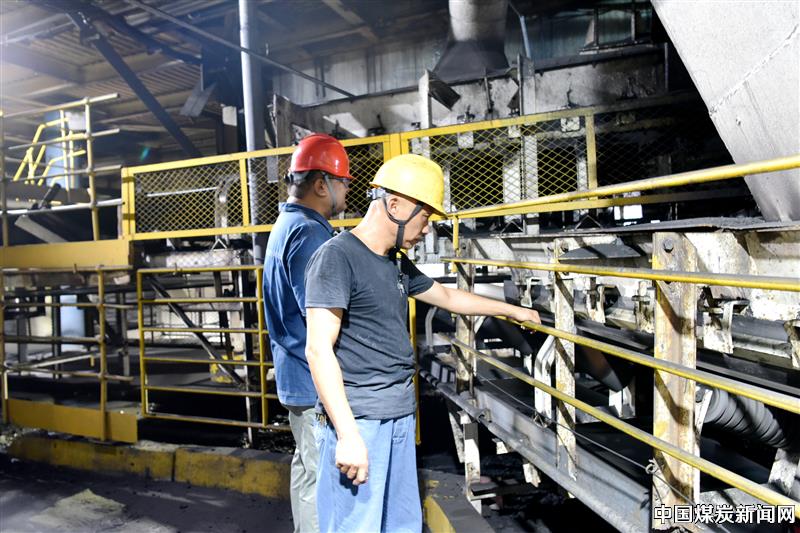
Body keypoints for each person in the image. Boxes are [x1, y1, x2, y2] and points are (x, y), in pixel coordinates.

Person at [304, 154, 541, 532]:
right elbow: (318, 349)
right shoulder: (337, 257)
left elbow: (446, 297)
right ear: (395, 205)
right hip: (360, 420)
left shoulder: (394, 262)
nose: (427, 229)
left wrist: (512, 310)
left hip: (397, 413)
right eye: (425, 216)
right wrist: (347, 435)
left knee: (402, 524)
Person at [262, 133, 353, 533]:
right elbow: (318, 313)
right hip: (313, 380)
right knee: (324, 483)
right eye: (343, 183)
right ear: (320, 185)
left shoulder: (285, 225)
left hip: (294, 376)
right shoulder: (309, 233)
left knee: (307, 472)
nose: (346, 191)